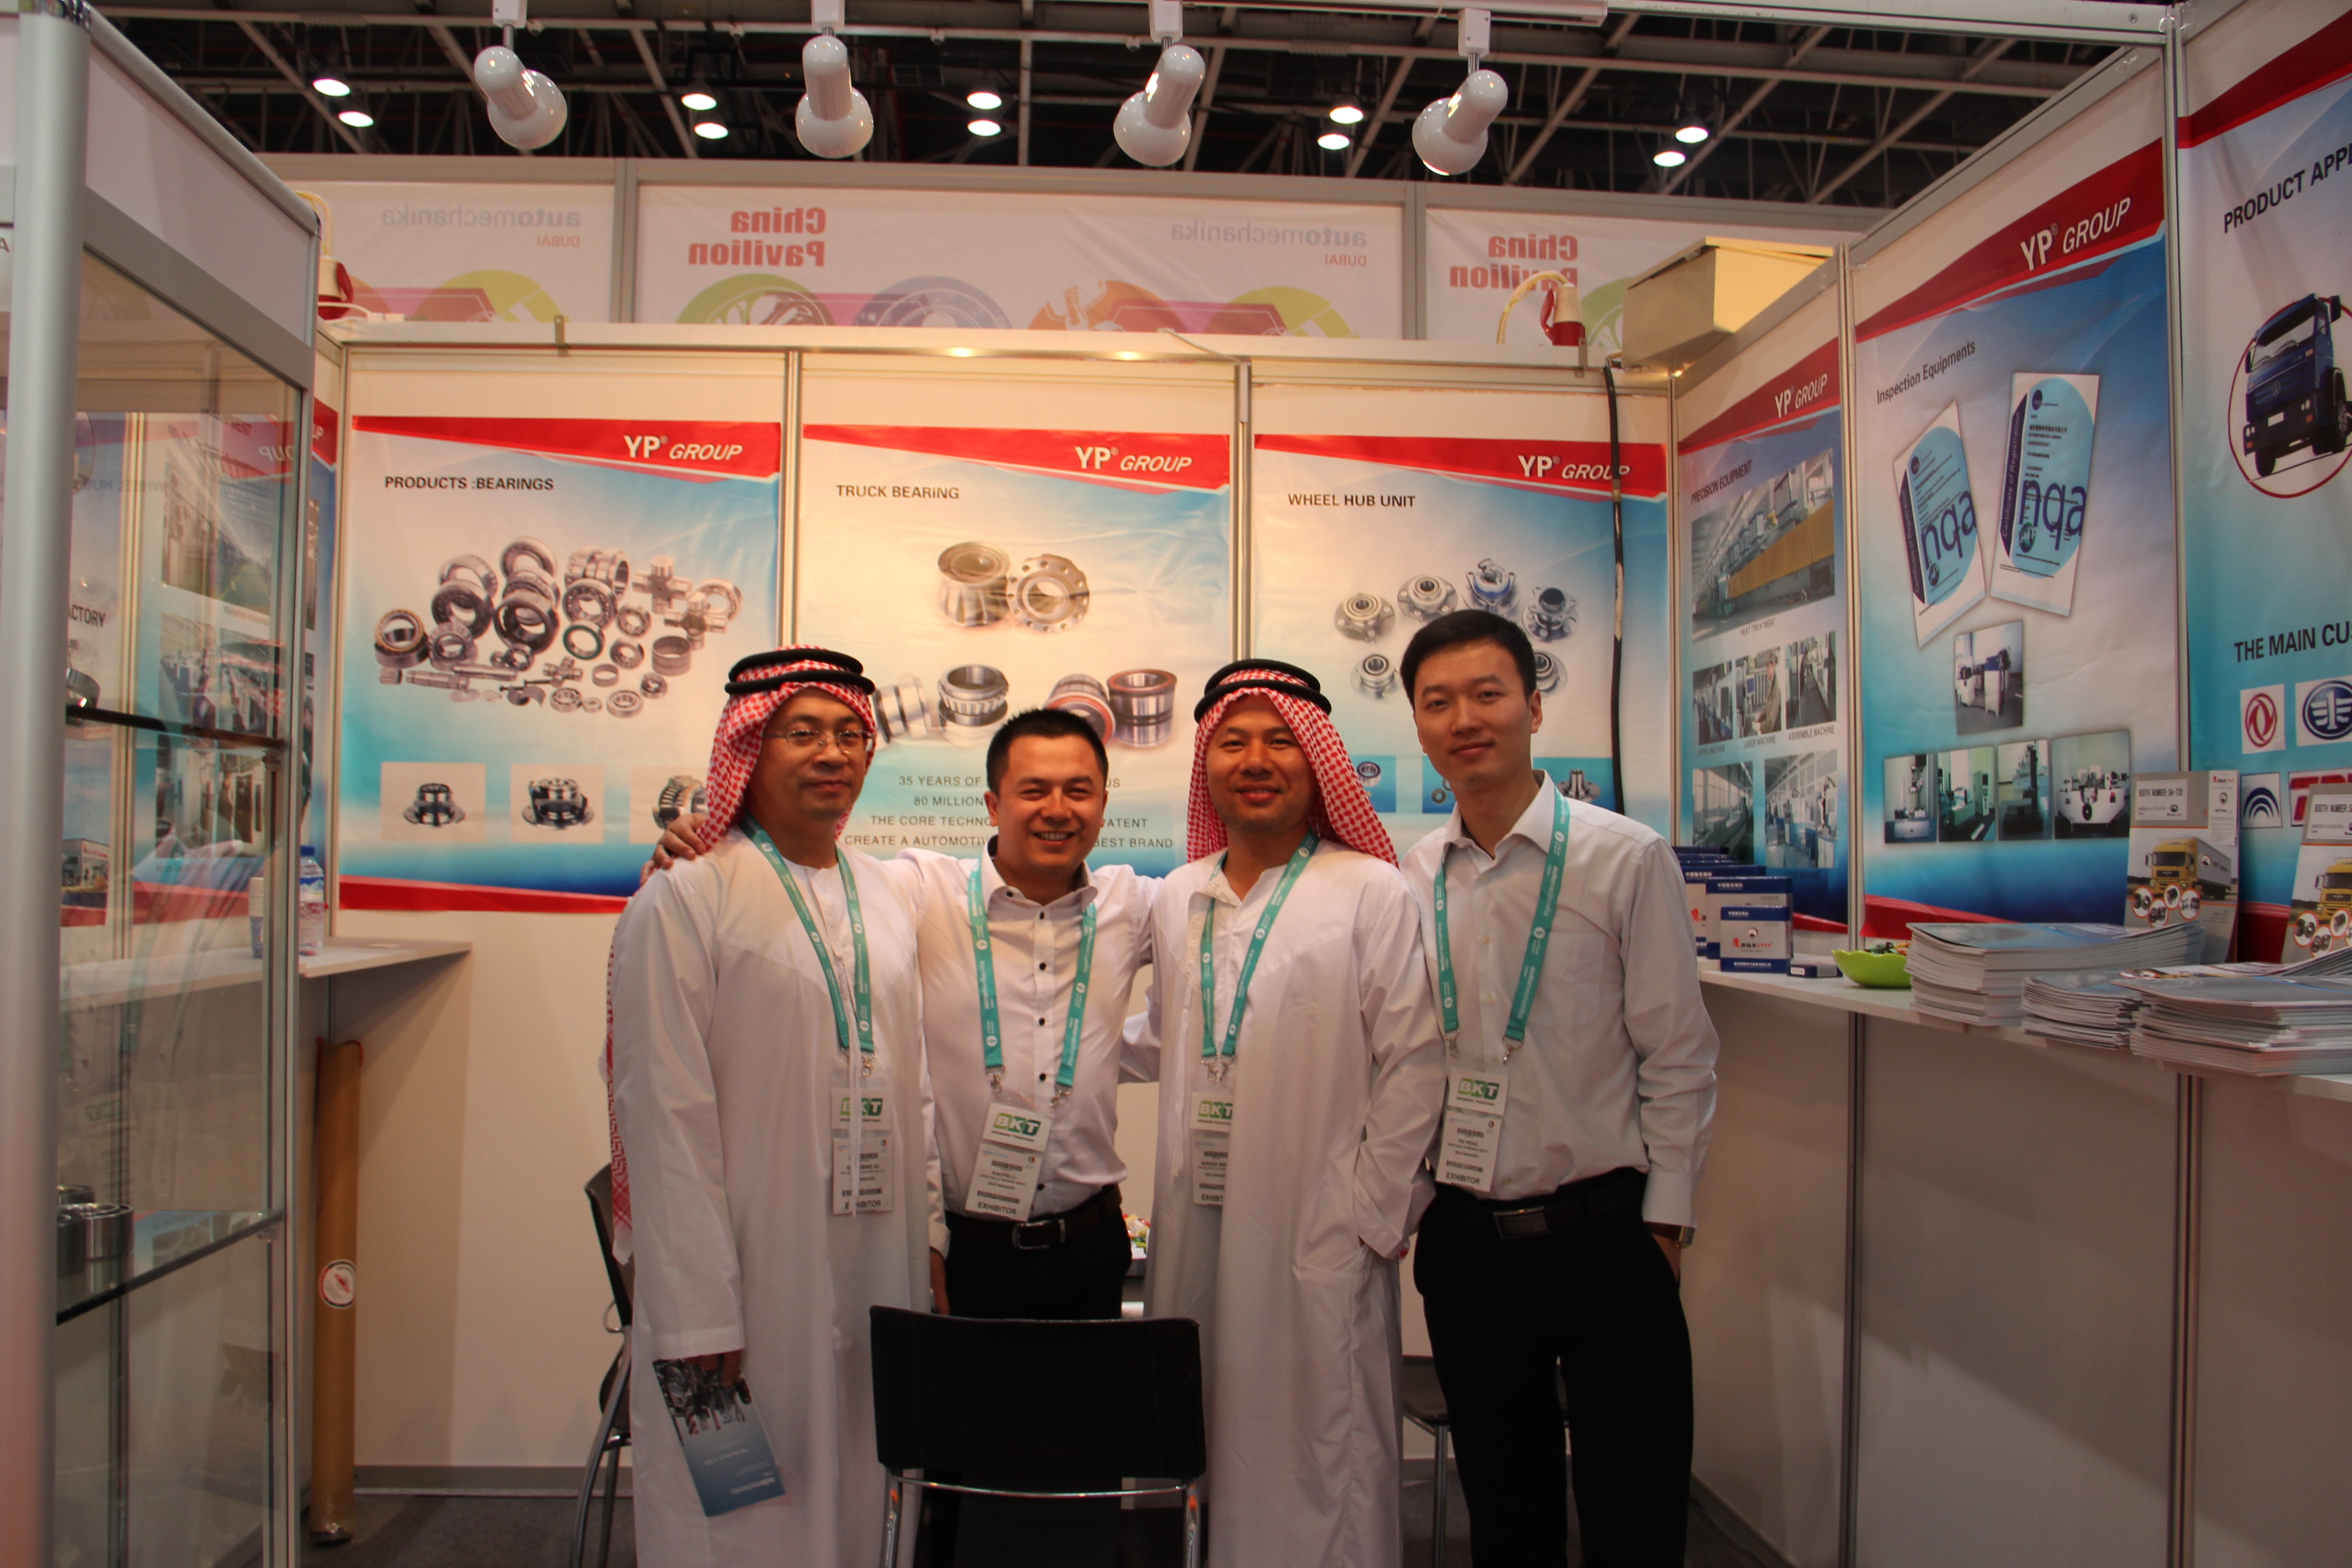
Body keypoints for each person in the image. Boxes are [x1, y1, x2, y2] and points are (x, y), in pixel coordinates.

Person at [649, 705, 1154, 1320]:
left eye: (1078, 791)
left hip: (1092, 1246)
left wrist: (1111, 1052)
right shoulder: (917, 891)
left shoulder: (1134, 904)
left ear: (1103, 804)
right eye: (1033, 791)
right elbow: (810, 885)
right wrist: (709, 854)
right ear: (993, 806)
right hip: (964, 1250)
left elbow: (1227, 949)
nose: (1057, 809)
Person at [1397, 610, 1718, 1568]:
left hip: (1605, 1236)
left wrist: (1665, 1227)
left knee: (1633, 1510)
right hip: (1467, 1244)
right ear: (1418, 725)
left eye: (1488, 694)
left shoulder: (1626, 857)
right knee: (1507, 1514)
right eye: (1439, 702)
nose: (1465, 719)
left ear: (1535, 707)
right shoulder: (1412, 875)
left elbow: (1678, 1053)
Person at [606, 645, 938, 1567]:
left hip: (877, 1258)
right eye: (802, 732)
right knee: (735, 1510)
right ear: (748, 749)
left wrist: (933, 1236)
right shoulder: (686, 897)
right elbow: (662, 1117)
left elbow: (912, 1084)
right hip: (736, 1284)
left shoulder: (886, 894)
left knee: (863, 1481)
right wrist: (696, 1314)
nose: (832, 753)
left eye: (849, 734)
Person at [1127, 659, 1446, 1568]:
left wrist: (1369, 1216)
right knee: (1203, 1423)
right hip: (1198, 1221)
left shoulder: (1369, 889)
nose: (1256, 760)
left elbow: (1417, 1062)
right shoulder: (1179, 895)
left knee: (1321, 1446)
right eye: (1233, 742)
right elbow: (1161, 1038)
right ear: (1207, 765)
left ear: (1318, 763)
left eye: (1281, 741)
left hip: (1321, 1228)